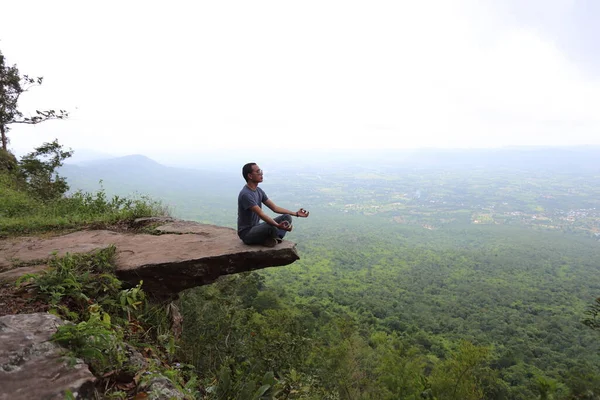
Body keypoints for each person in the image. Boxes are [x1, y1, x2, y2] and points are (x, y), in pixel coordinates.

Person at [237, 162, 309, 247]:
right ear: (250, 176)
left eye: (260, 171)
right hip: (247, 233)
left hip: (257, 227)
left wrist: (295, 214)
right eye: (258, 171)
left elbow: (275, 208)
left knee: (286, 217)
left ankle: (275, 238)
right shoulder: (246, 194)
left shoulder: (258, 191)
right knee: (271, 227)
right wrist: (277, 225)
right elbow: (261, 214)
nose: (261, 173)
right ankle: (273, 237)